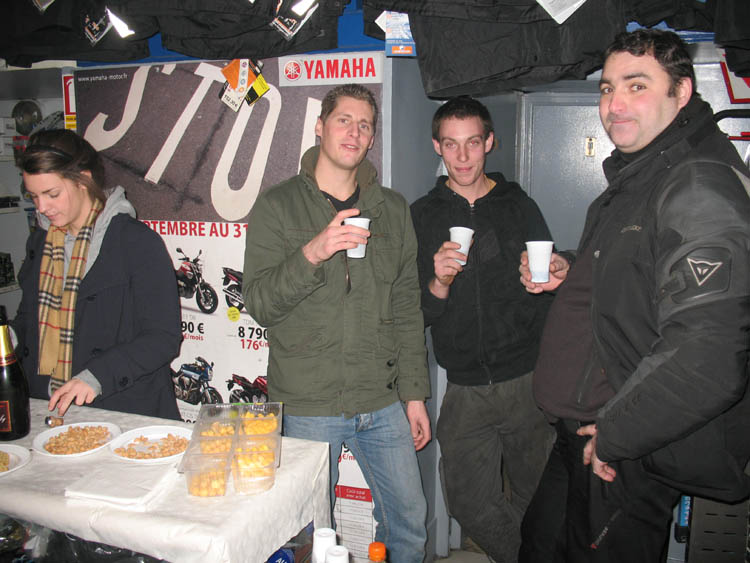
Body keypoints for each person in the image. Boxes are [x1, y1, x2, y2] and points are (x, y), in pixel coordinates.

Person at [519, 29, 750, 563]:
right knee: (540, 546)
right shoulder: (643, 174)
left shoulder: (699, 186)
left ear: (681, 92)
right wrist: (572, 269)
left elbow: (709, 354)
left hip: (624, 445)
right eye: (607, 88)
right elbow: (639, 272)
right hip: (580, 433)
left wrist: (618, 435)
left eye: (637, 85)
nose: (614, 104)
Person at [242, 83, 431, 562]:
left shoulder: (391, 209)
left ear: (372, 139)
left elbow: (406, 306)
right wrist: (313, 252)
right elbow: (260, 303)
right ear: (320, 126)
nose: (355, 132)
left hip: (381, 398)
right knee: (309, 536)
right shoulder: (277, 205)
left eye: (365, 125)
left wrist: (413, 395)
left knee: (409, 527)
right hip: (308, 402)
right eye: (344, 120)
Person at [410, 96, 555, 562]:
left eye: (472, 142)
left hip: (526, 380)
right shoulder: (422, 215)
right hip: (465, 388)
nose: (463, 156)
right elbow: (416, 313)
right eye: (451, 144)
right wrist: (438, 282)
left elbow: (550, 288)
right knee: (467, 503)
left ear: (489, 142)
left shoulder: (518, 205)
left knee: (539, 497)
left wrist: (548, 277)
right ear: (437, 146)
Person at [12, 129, 182, 419]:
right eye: (34, 196)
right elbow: (29, 319)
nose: (41, 207)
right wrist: (10, 339)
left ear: (84, 180)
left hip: (122, 409)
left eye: (52, 194)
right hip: (47, 406)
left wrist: (96, 376)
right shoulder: (39, 242)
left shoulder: (135, 242)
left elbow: (163, 337)